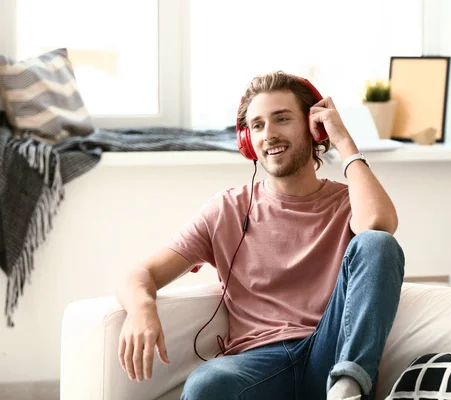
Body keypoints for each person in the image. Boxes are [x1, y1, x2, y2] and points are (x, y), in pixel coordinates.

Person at [116, 71, 405, 400]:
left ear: (315, 128)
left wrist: (344, 142)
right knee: (205, 384)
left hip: (331, 358)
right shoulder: (227, 209)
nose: (269, 134)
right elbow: (140, 273)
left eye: (282, 119)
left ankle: (350, 388)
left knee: (377, 243)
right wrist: (141, 309)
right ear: (247, 141)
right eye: (257, 125)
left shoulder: (348, 202)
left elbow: (379, 226)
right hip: (259, 366)